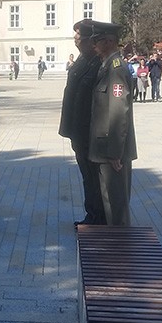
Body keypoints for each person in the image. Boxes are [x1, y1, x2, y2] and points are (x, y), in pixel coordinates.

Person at [87, 21, 137, 226]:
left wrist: (116, 151)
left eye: (96, 41)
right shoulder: (106, 66)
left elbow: (119, 110)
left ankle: (122, 248)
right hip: (105, 148)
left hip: (112, 151)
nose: (93, 46)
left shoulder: (115, 69)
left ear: (108, 42)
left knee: (116, 205)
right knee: (110, 202)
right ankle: (116, 244)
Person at [59, 20, 104, 226]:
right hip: (77, 129)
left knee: (93, 177)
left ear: (90, 41)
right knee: (87, 176)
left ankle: (97, 217)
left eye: (79, 39)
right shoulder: (83, 60)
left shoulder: (98, 63)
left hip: (88, 131)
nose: (76, 42)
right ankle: (92, 214)